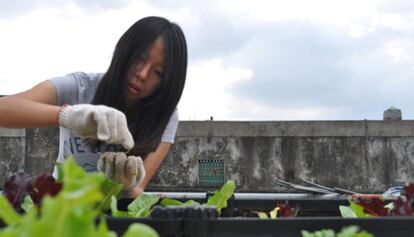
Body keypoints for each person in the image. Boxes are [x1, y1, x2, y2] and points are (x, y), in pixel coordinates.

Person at [0, 16, 188, 197]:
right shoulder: (80, 88)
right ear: (124, 51)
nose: (142, 74)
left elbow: (137, 190)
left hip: (112, 220)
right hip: (62, 212)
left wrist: (125, 184)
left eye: (158, 72)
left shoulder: (166, 116)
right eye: (139, 58)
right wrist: (68, 116)